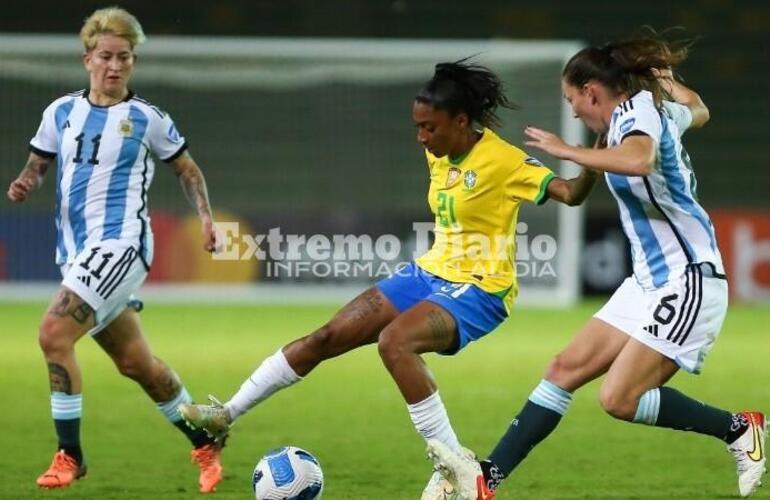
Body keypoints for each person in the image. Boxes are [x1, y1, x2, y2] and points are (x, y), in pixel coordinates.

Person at [178, 58, 600, 499]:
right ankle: (225, 413)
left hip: (481, 288)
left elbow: (570, 194)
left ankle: (455, 463)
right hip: (429, 271)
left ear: (460, 121)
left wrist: (592, 155)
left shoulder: (504, 160)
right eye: (417, 126)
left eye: (429, 128)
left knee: (394, 342)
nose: (421, 137)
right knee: (327, 336)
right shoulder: (437, 150)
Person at [426, 35, 767, 500]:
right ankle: (487, 481)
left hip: (688, 278)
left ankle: (740, 429)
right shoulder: (650, 112)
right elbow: (700, 110)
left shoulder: (636, 112)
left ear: (592, 92)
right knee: (564, 368)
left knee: (618, 399)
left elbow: (640, 160)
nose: (574, 111)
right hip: (649, 280)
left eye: (572, 100)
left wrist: (570, 151)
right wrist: (672, 84)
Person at [7, 7, 225, 493]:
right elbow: (39, 163)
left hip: (122, 245)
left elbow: (187, 170)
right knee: (136, 363)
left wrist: (206, 217)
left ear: (132, 62)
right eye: (106, 56)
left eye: (124, 57)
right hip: (76, 252)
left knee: (52, 334)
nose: (115, 65)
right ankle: (206, 436)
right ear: (88, 59)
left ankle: (70, 455)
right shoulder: (60, 111)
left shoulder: (147, 119)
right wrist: (26, 181)